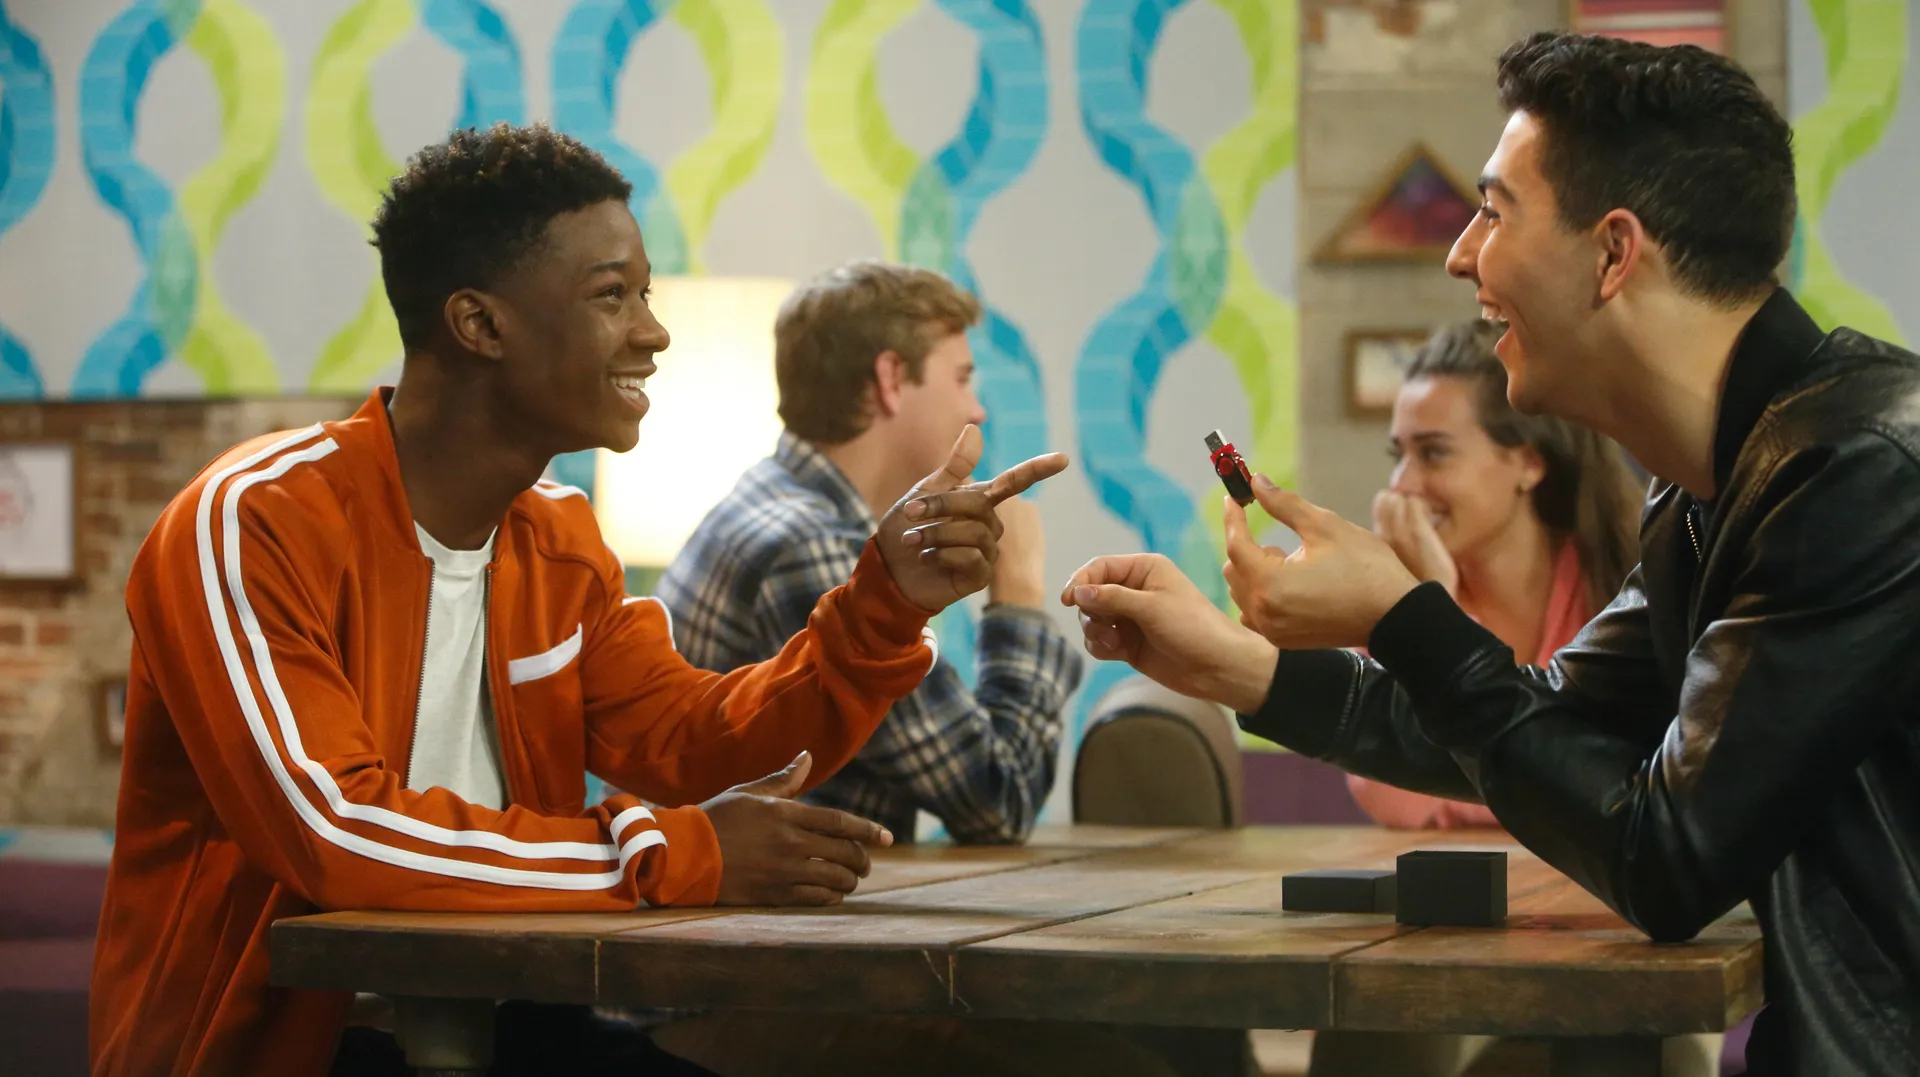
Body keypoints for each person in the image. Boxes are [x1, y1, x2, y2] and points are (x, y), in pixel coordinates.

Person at [89, 123, 1066, 1077]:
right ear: (479, 325)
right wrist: (677, 852)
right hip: (291, 1047)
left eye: (644, 293)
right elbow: (337, 832)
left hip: (517, 1023)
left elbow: (694, 738)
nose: (653, 331)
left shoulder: (557, 537)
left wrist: (883, 607)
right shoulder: (250, 519)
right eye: (612, 295)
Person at [1064, 32, 1920, 1076]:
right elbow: (1540, 719)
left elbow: (1668, 859)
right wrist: (1240, 666)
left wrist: (1401, 615)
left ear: (1614, 253)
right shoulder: (1717, 484)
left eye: (1494, 211)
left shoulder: (1859, 469)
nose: (1460, 254)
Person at [658, 261, 1083, 845]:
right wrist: (1020, 595)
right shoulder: (812, 547)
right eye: (962, 379)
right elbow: (998, 800)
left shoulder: (771, 500)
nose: (977, 409)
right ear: (890, 378)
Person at [1349, 319, 1640, 830]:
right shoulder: (1399, 596)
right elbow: (1390, 793)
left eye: (1433, 453)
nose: (1402, 485)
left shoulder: (1620, 592)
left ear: (1528, 463)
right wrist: (1429, 613)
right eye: (1399, 455)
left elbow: (1617, 787)